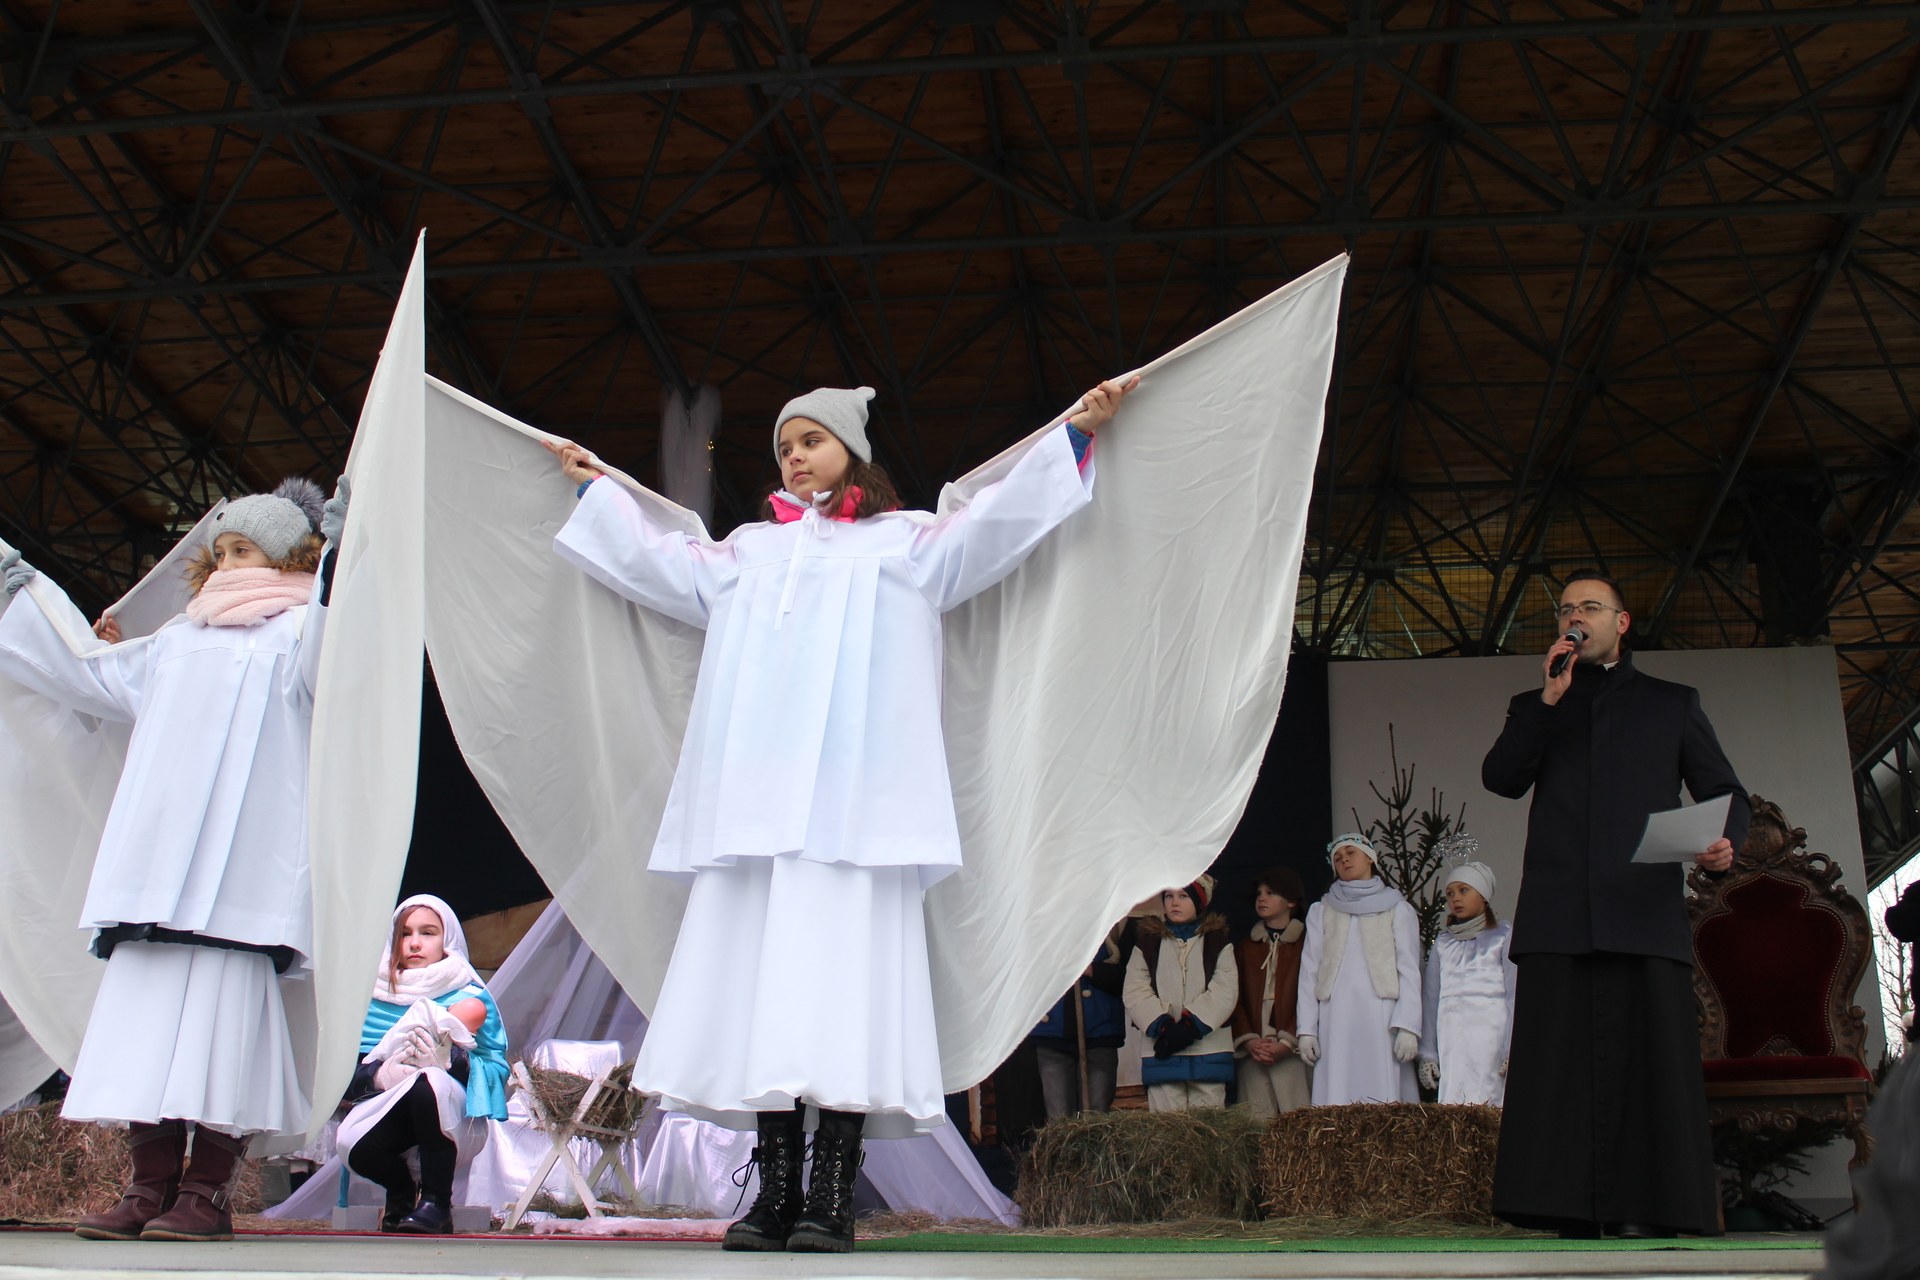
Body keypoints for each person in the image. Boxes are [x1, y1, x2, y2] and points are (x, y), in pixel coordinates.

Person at [542, 376, 1134, 1252]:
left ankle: (830, 1198)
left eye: (811, 440)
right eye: (785, 446)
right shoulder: (747, 553)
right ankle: (776, 1196)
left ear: (852, 451)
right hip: (756, 824)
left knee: (845, 1003)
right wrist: (595, 493)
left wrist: (1074, 439)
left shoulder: (908, 544)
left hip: (860, 823)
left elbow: (997, 528)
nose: (795, 456)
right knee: (764, 1006)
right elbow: (664, 566)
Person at [0, 478, 345, 1242]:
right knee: (146, 1037)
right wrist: (20, 598)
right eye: (222, 551)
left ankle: (206, 1194)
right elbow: (85, 673)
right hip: (155, 878)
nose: (228, 563)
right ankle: (147, 1189)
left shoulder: (300, 633)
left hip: (241, 883)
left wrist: (343, 561)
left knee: (224, 1039)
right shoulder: (178, 640)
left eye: (246, 549)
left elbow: (342, 664)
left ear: (291, 555)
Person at [1482, 570, 1748, 1240]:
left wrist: (1723, 843)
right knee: (1558, 1067)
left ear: (1621, 622)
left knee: (1649, 1065)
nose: (1576, 617)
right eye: (1566, 609)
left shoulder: (1672, 703)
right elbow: (1501, 779)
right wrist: (1548, 701)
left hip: (1642, 911)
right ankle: (1560, 1208)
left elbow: (1726, 793)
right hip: (1559, 914)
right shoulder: (1537, 702)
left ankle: (1650, 1208)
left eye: (1591, 607)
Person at [338, 895, 509, 1234]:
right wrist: (379, 1075)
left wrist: (452, 1062)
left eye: (428, 933)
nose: (415, 943)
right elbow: (343, 1078)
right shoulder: (369, 999)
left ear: (447, 939)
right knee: (351, 1144)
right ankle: (401, 1191)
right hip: (386, 1114)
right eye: (405, 933)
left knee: (429, 1081)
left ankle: (436, 1204)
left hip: (452, 1118)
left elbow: (496, 1071)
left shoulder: (470, 996)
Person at [1295, 834, 1421, 1105]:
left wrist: (1408, 1026)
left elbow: (1409, 970)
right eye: (1337, 858)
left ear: (1370, 858)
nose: (1344, 861)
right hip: (1335, 1017)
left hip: (1382, 1017)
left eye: (1351, 853)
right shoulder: (1322, 910)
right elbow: (1309, 972)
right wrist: (1307, 1028)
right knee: (1338, 1088)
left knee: (1382, 1091)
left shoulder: (1397, 909)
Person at [1122, 877, 1239, 1111]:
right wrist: (1162, 1025)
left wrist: (1191, 1024)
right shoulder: (1147, 944)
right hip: (1162, 1049)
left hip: (1209, 1050)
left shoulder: (1218, 943)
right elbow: (1135, 990)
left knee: (1207, 1123)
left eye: (1183, 896)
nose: (1174, 902)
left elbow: (1225, 990)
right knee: (1167, 1124)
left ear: (1199, 902)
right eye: (1169, 896)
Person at [1417, 861, 1517, 1106]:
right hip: (1453, 1036)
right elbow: (1431, 999)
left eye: (1463, 890)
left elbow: (1515, 994)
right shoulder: (1443, 943)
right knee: (1456, 1099)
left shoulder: (1503, 935)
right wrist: (1428, 1053)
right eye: (1450, 893)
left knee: (1491, 1099)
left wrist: (1511, 1047)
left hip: (1491, 1035)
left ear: (1483, 895)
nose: (1456, 899)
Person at [1230, 867, 1310, 1118]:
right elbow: (1234, 997)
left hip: (1294, 1051)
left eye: (1271, 892)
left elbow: (1311, 996)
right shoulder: (1247, 947)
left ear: (1292, 901)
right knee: (1256, 1122)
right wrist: (1249, 1040)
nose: (1262, 898)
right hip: (1254, 1050)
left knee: (1299, 1119)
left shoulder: (1307, 943)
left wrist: (1288, 1042)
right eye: (1259, 894)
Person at [1027, 932, 1127, 1118]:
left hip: (1099, 1031)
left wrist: (1093, 971)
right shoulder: (1037, 927)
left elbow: (1129, 976)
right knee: (1059, 1118)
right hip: (1052, 1033)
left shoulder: (1111, 924)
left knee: (1096, 1116)